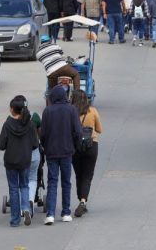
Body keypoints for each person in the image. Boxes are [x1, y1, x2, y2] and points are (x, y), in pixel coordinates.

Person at [40, 86, 82, 225]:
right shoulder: (72, 110)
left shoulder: (47, 111)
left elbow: (43, 134)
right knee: (66, 182)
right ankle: (65, 212)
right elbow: (78, 132)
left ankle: (50, 214)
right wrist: (74, 147)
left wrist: (46, 148)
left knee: (52, 182)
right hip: (67, 151)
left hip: (51, 153)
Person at [0, 95, 39, 227]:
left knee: (13, 188)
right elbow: (35, 144)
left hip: (10, 161)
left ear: (12, 109)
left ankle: (15, 219)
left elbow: (1, 145)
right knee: (24, 185)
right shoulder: (30, 124)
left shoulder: (7, 124)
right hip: (25, 160)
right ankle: (26, 209)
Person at [71, 90, 102, 218]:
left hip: (75, 146)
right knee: (88, 175)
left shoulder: (71, 112)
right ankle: (83, 201)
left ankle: (80, 199)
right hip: (91, 145)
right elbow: (99, 129)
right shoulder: (92, 111)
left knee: (79, 174)